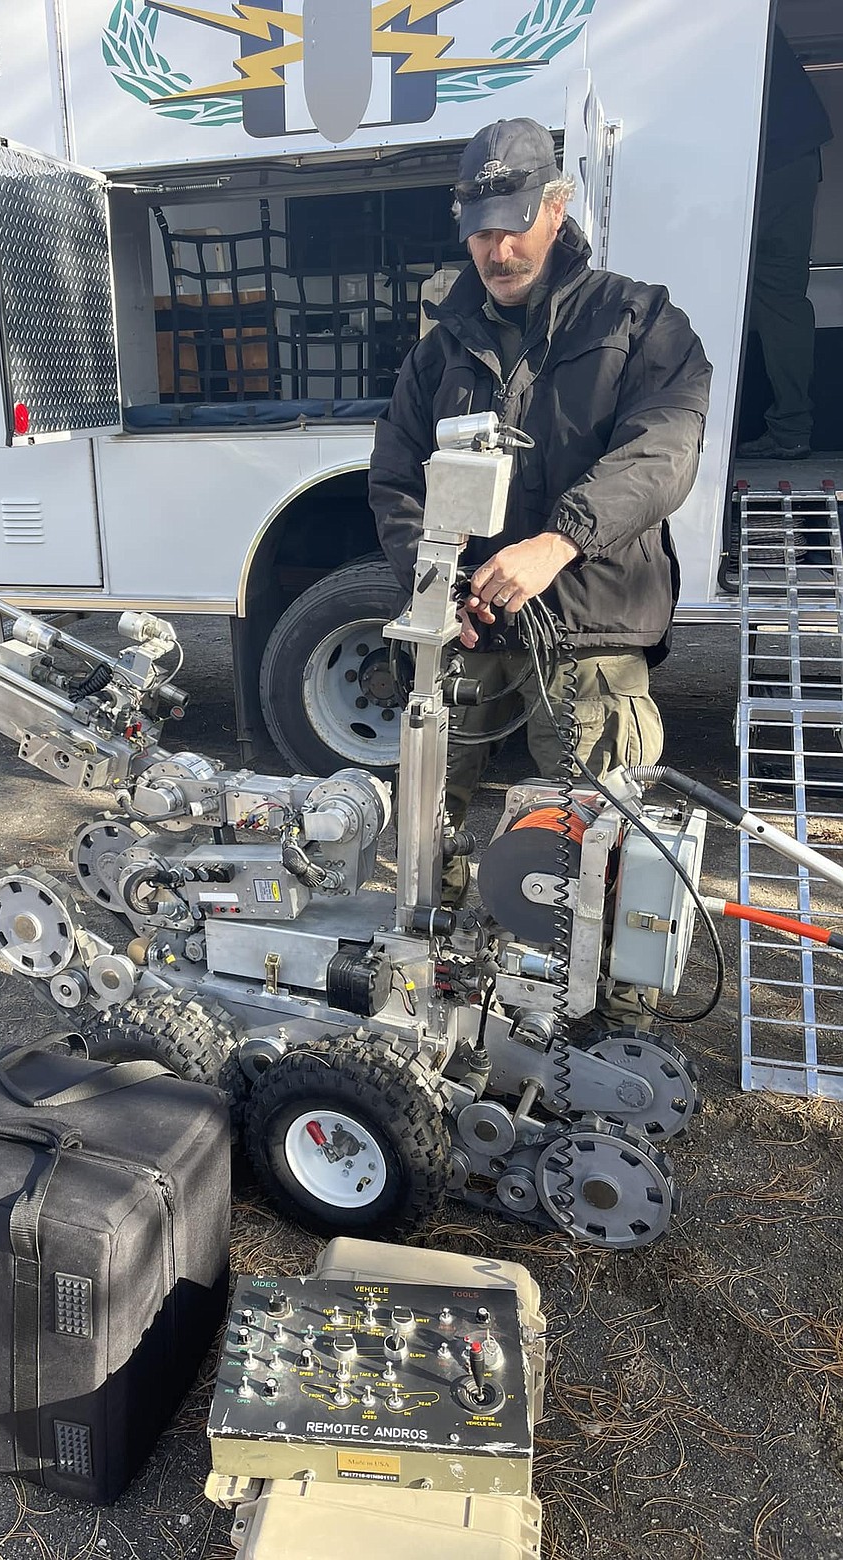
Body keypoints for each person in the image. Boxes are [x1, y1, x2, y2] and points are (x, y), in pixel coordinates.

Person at [369, 117, 713, 980]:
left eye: (513, 224)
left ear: (556, 210)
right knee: (425, 817)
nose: (497, 248)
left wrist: (558, 542)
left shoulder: (640, 318)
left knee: (597, 842)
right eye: (480, 230)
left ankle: (598, 1027)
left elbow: (663, 454)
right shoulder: (440, 345)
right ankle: (432, 981)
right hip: (471, 629)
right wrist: (432, 583)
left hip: (589, 628)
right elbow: (395, 475)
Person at [738, 28, 833, 460]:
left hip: (769, 157)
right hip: (788, 152)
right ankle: (791, 426)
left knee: (770, 292)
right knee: (778, 294)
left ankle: (784, 428)